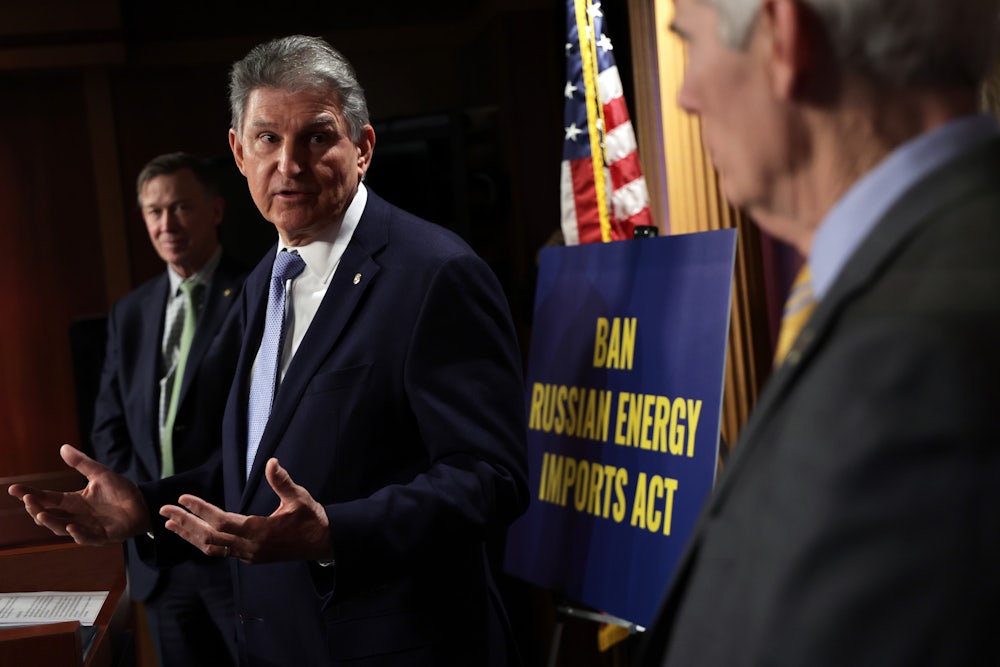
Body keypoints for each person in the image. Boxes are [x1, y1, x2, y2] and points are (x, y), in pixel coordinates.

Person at [11, 35, 529, 667]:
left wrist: (335, 533)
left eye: (316, 137)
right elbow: (256, 472)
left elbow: (491, 479)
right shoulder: (264, 280)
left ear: (362, 148)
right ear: (238, 152)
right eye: (266, 139)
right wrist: (147, 506)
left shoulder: (436, 273)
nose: (289, 163)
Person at [634, 0, 1000, 665]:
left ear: (782, 37)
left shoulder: (910, 364)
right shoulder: (929, 276)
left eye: (691, 42)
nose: (686, 95)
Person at [91, 151, 246, 667]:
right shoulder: (129, 312)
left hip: (233, 547)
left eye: (180, 207)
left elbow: (256, 423)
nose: (166, 224)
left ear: (216, 210)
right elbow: (110, 425)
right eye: (154, 212)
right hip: (159, 560)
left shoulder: (255, 294)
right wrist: (144, 506)